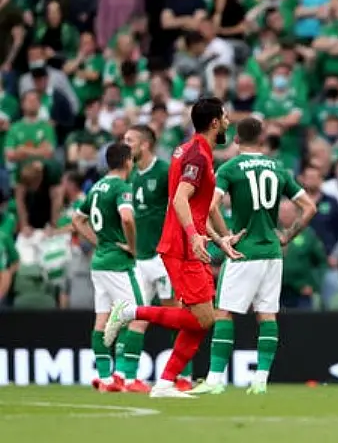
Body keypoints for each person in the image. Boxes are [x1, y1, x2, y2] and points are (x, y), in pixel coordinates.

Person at [103, 97, 244, 399]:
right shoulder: (197, 156)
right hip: (182, 247)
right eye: (226, 117)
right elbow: (180, 199)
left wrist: (222, 238)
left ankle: (166, 383)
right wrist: (194, 236)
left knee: (201, 319)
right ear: (215, 123)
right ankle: (129, 312)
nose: (229, 122)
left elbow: (196, 206)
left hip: (188, 243)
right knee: (203, 318)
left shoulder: (190, 150)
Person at [193, 117, 316, 395]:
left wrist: (224, 238)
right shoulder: (279, 168)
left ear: (236, 140)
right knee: (267, 315)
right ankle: (260, 380)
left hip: (243, 251)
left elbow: (211, 207)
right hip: (272, 251)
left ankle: (214, 380)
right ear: (262, 140)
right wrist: (287, 235)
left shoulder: (230, 168)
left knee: (224, 313)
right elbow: (309, 207)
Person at [70, 143, 144, 393]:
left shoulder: (97, 187)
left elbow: (77, 220)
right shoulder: (122, 187)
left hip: (99, 262)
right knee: (136, 316)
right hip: (117, 263)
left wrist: (98, 241)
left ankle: (105, 378)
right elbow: (127, 217)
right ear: (126, 162)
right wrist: (132, 247)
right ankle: (125, 376)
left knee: (102, 321)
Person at [122, 125, 173, 393]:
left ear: (144, 145)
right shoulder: (127, 175)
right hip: (139, 257)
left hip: (163, 257)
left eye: (129, 140)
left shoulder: (164, 170)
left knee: (175, 314)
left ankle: (180, 376)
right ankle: (130, 379)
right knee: (137, 316)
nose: (124, 144)